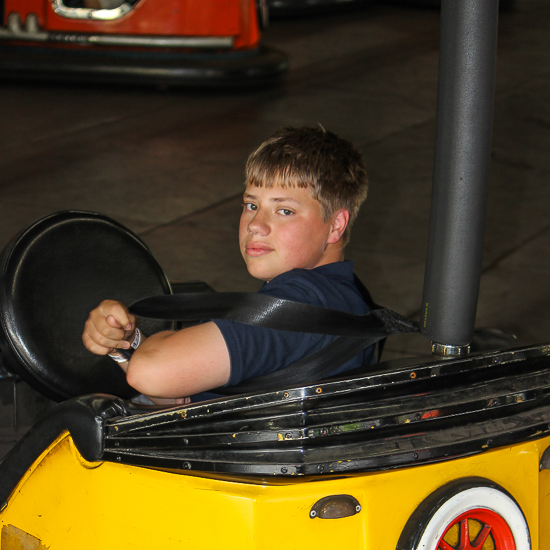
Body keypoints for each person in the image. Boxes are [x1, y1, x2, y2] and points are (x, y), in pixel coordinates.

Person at [82, 125, 373, 404]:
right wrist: (125, 344)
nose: (256, 225)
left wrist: (164, 346)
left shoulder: (303, 305)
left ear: (336, 225)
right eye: (251, 205)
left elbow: (152, 371)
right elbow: (177, 396)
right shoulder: (342, 295)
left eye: (284, 210)